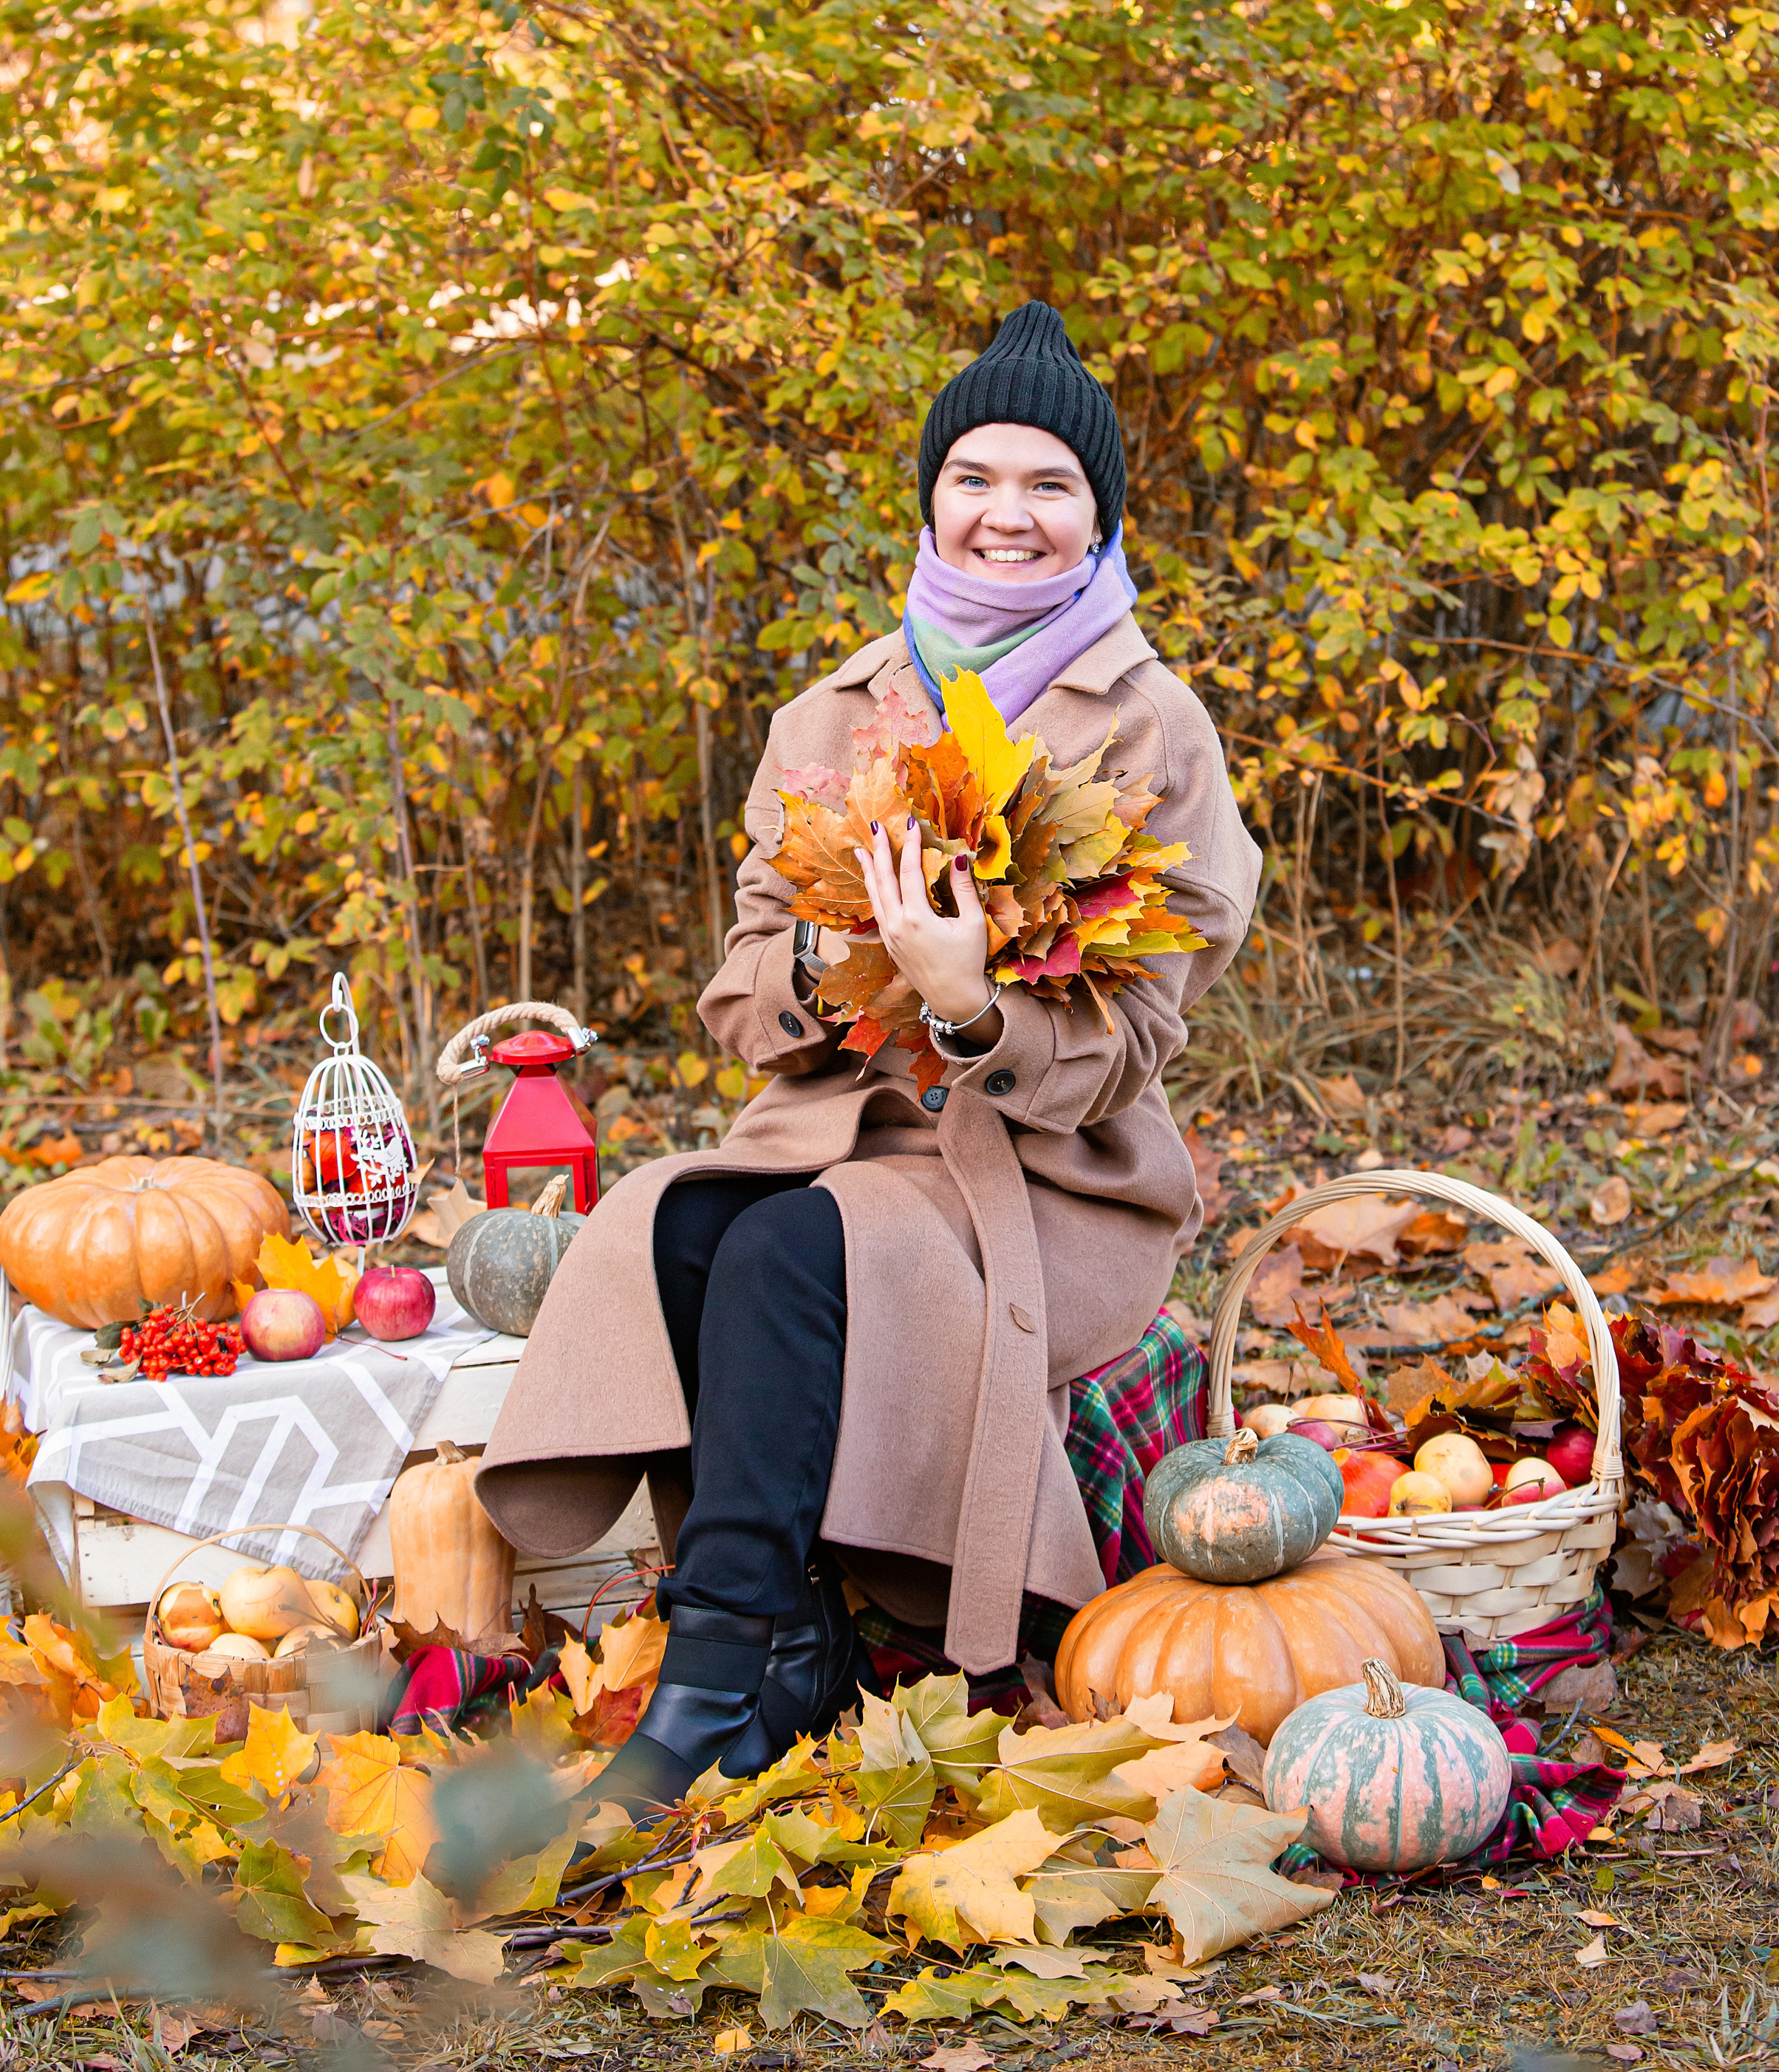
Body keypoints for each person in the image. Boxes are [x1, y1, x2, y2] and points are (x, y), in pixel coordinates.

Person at [474, 302, 1264, 1813]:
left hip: (1039, 1171)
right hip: (840, 1127)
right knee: (676, 1215)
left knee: (788, 1250)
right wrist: (843, 974)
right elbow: (734, 991)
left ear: (1097, 519)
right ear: (928, 500)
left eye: (1049, 485)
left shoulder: (1151, 725)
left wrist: (969, 1004)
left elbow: (1138, 1035)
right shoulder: (830, 714)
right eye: (976, 476)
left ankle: (708, 1690)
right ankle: (785, 1645)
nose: (1006, 513)